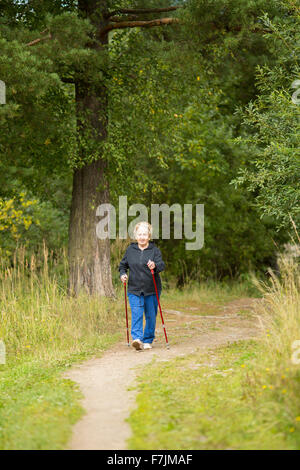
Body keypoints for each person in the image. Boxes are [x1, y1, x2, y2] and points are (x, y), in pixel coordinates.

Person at [119, 221, 166, 351]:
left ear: (149, 236)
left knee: (151, 315)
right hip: (134, 288)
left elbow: (162, 265)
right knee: (136, 313)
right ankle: (137, 339)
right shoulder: (130, 250)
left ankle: (148, 339)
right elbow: (123, 265)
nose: (142, 237)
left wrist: (155, 266)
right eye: (140, 234)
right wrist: (122, 274)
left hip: (152, 288)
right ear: (136, 235)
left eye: (145, 234)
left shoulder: (154, 250)